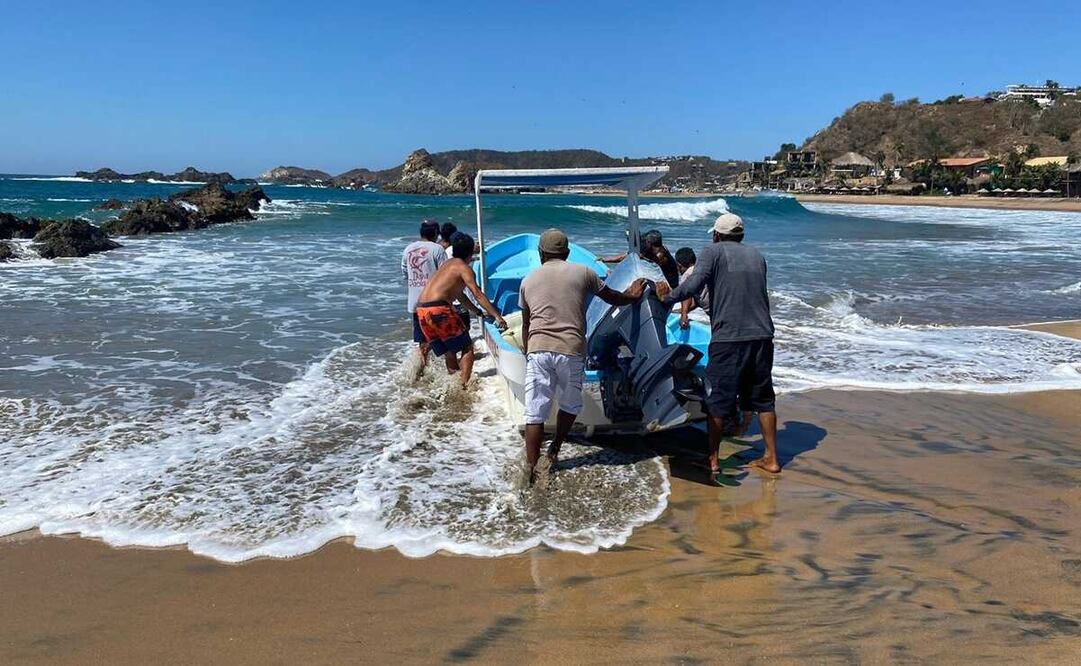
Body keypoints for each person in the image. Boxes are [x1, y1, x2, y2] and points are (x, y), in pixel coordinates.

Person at [655, 213, 780, 475]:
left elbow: (693, 284)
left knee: (716, 398)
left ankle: (712, 461)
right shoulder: (757, 255)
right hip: (762, 335)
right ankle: (771, 458)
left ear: (717, 235)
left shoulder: (713, 252)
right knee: (764, 399)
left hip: (729, 337)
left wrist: (667, 298)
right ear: (741, 235)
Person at [520, 228, 647, 484]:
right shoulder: (583, 272)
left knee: (534, 414)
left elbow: (526, 324)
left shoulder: (528, 280)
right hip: (571, 349)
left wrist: (528, 352)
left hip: (538, 348)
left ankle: (531, 470)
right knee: (570, 405)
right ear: (566, 253)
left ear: (540, 253)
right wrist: (633, 296)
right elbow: (611, 297)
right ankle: (554, 450)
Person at [415, 233, 507, 387]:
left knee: (450, 351)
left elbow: (460, 295)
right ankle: (463, 387)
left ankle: (453, 386)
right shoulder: (464, 268)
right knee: (467, 347)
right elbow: (477, 294)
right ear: (471, 253)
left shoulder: (446, 265)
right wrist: (497, 316)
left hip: (422, 311)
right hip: (439, 309)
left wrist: (477, 312)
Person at [401, 220, 447, 368]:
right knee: (444, 340)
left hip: (415, 303)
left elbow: (405, 274)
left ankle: (421, 371)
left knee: (422, 342)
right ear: (435, 233)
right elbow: (445, 275)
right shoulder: (437, 249)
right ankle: (446, 371)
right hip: (434, 302)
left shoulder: (408, 249)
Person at [601, 229, 680, 287]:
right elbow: (627, 256)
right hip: (659, 280)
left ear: (649, 242)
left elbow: (651, 267)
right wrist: (606, 260)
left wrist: (617, 275)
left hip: (669, 284)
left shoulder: (661, 254)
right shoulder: (649, 248)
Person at [674, 246, 710, 330]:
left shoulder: (687, 275)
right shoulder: (703, 269)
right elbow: (696, 301)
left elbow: (686, 296)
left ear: (679, 265)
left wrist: (683, 315)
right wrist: (681, 310)